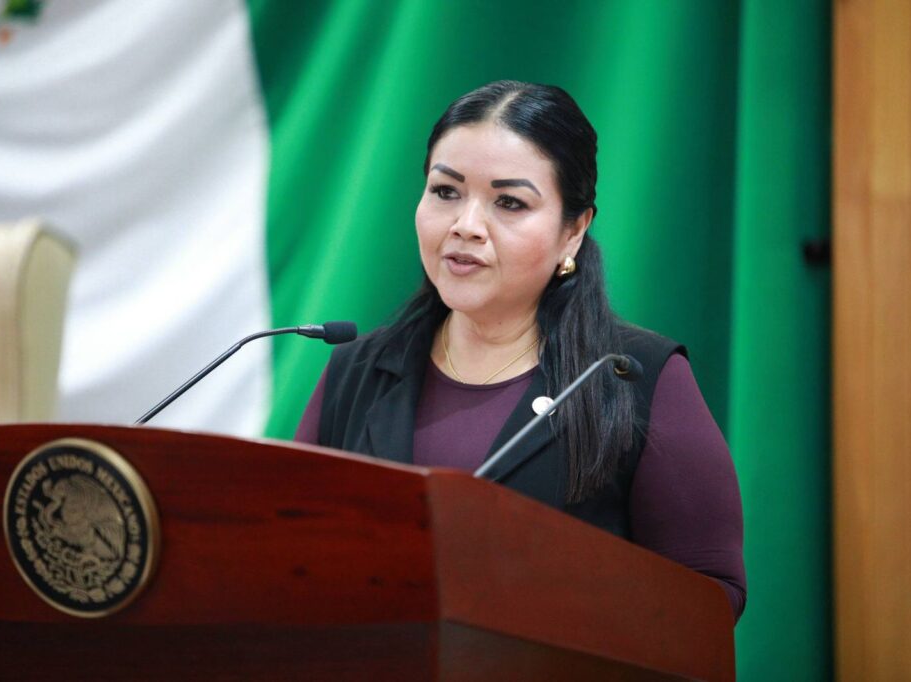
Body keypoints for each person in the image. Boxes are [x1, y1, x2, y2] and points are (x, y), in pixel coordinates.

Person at [295, 80, 745, 620]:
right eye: (445, 191)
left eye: (509, 202)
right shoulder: (355, 372)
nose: (466, 226)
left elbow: (710, 595)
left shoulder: (633, 375)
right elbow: (292, 557)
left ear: (572, 231)